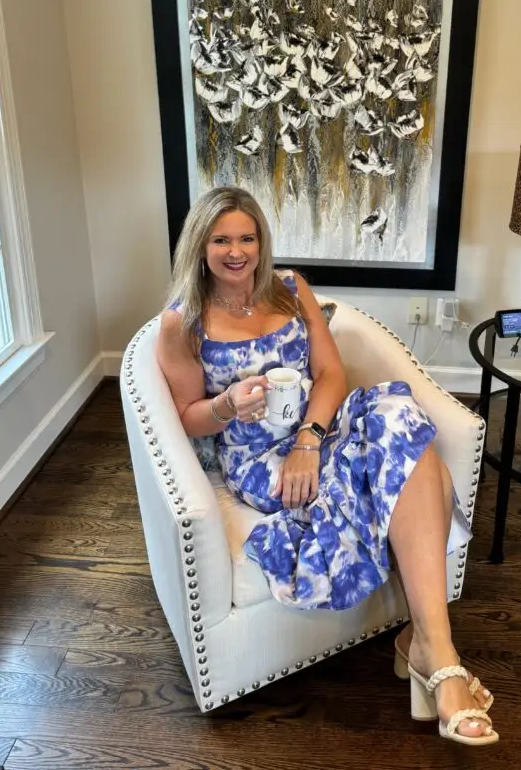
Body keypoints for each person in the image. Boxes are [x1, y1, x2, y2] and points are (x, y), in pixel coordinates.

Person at [156, 186, 498, 747]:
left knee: (400, 420)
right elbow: (187, 418)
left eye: (247, 237)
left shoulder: (291, 289)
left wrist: (310, 439)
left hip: (318, 429)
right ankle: (438, 657)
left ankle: (430, 648)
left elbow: (333, 374)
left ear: (262, 241)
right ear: (200, 246)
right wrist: (225, 405)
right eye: (221, 239)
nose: (236, 251)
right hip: (257, 457)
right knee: (422, 468)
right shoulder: (184, 323)